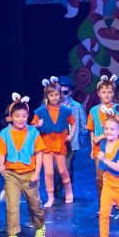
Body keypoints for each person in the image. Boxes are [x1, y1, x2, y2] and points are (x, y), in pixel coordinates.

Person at [0, 93, 46, 237]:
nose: (21, 119)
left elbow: (39, 153)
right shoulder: (4, 134)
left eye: (24, 116)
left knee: (34, 204)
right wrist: (1, 165)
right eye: (17, 116)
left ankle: (40, 226)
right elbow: (0, 152)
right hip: (12, 174)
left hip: (30, 174)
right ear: (11, 117)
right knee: (12, 205)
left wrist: (37, 172)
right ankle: (12, 235)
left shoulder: (33, 133)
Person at [32, 78, 74, 207]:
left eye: (56, 94)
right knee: (49, 172)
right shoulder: (41, 111)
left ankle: (69, 192)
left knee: (62, 170)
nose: (54, 97)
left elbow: (73, 122)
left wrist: (71, 134)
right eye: (51, 95)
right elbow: (33, 126)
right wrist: (38, 125)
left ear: (60, 95)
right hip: (46, 145)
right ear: (47, 96)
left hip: (60, 144)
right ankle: (50, 198)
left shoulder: (65, 110)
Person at [87, 75, 119, 199]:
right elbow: (92, 130)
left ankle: (115, 199)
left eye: (109, 92)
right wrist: (92, 148)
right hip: (99, 149)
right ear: (98, 93)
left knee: (114, 175)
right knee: (100, 178)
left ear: (113, 93)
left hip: (115, 148)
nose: (106, 95)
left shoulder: (117, 109)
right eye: (104, 92)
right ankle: (103, 203)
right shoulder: (94, 111)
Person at [63, 83, 88, 185]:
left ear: (70, 92)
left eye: (65, 92)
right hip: (57, 141)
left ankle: (68, 190)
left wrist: (80, 138)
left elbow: (83, 124)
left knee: (67, 166)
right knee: (57, 168)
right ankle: (58, 191)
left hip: (72, 141)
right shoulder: (53, 106)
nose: (62, 95)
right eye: (60, 92)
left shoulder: (76, 106)